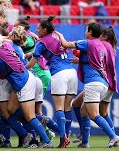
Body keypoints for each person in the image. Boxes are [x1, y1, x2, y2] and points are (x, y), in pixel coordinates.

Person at [0, 31, 54, 148]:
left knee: (29, 116)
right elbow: (3, 38)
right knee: (10, 111)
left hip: (23, 83)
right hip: (24, 78)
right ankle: (33, 128)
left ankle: (47, 141)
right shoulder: (6, 44)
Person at [57, 22, 119, 148]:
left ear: (90, 32)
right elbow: (92, 59)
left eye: (86, 30)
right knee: (82, 109)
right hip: (103, 83)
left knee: (94, 114)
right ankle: (85, 142)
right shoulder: (101, 46)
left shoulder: (90, 42)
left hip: (94, 82)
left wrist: (58, 34)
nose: (85, 31)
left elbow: (65, 44)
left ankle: (113, 136)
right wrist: (81, 59)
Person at [26, 16, 78, 148]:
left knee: (59, 108)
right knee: (67, 107)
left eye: (38, 28)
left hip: (59, 73)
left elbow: (31, 64)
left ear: (44, 29)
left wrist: (19, 67)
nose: (36, 30)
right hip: (72, 72)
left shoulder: (42, 43)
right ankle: (65, 137)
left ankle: (63, 137)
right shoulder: (57, 35)